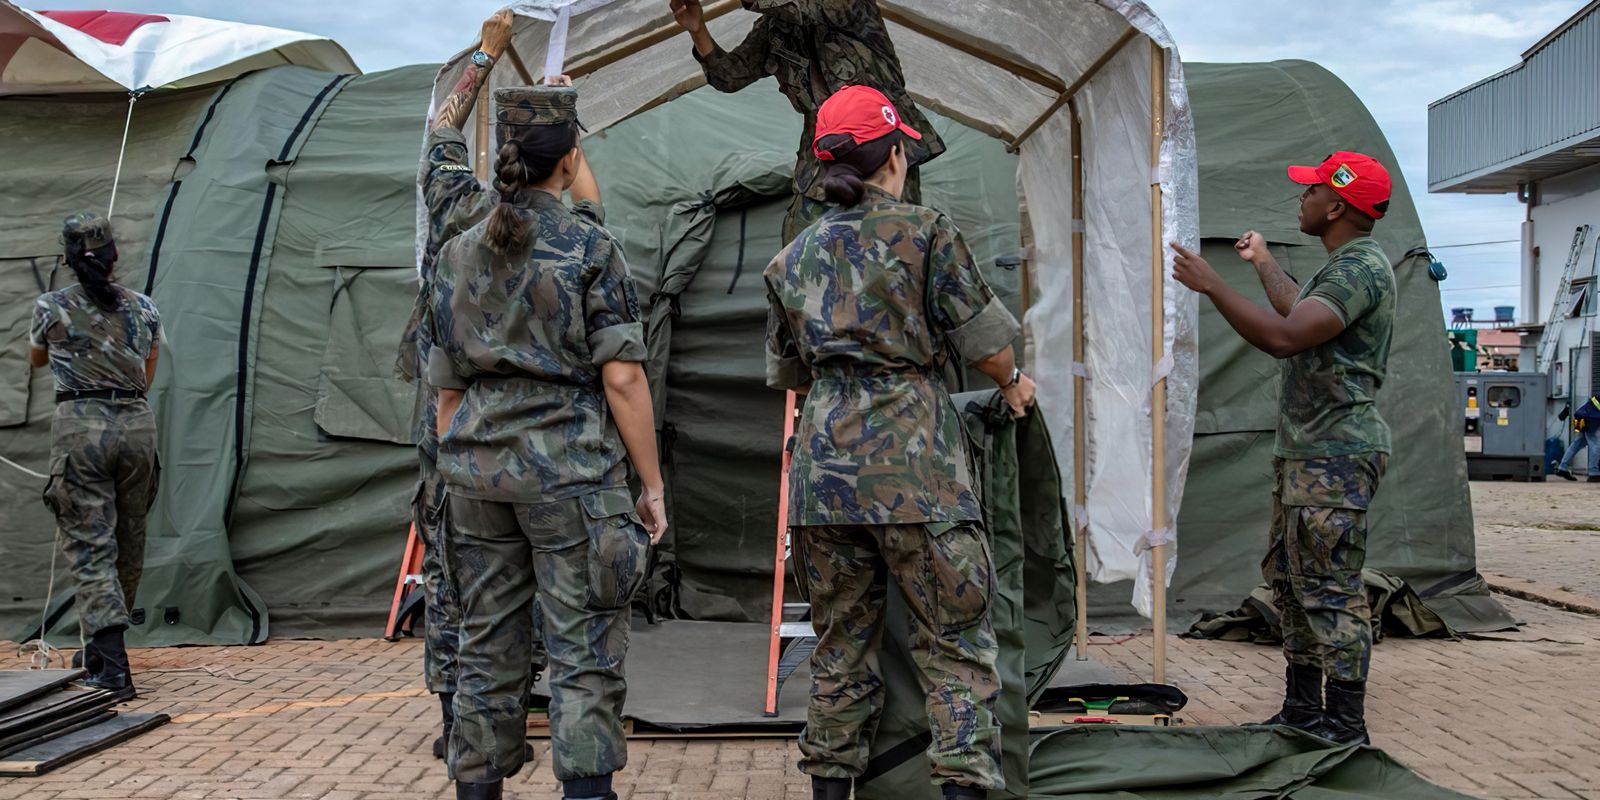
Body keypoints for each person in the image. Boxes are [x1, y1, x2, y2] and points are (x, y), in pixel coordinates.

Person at [763, 85, 1034, 800]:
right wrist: (1012, 384)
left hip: (824, 480)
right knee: (955, 651)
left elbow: (789, 370)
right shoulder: (928, 232)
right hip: (921, 473)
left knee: (838, 655)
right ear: (895, 153)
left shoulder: (791, 259)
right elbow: (988, 347)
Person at [424, 72, 667, 800]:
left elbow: (446, 390)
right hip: (572, 479)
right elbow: (623, 379)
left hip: (475, 480)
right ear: (569, 160)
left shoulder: (457, 252)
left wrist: (458, 473)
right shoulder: (592, 249)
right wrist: (649, 487)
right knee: (583, 651)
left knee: (485, 650)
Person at [1170, 152, 1397, 746]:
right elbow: (1297, 311)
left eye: (1310, 192)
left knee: (1331, 590)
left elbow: (1284, 337)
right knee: (1292, 582)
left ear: (1338, 205)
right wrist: (1263, 262)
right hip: (1307, 453)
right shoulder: (1342, 266)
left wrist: (1212, 283)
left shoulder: (1359, 268)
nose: (1301, 199)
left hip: (1336, 455)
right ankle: (1302, 712)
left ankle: (1345, 728)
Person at [397, 9, 550, 762]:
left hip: (449, 415)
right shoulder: (560, 236)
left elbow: (443, 130)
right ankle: (510, 717)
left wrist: (486, 57)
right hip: (535, 429)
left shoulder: (457, 202)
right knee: (527, 569)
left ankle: (459, 717)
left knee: (450, 561)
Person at [670, 0, 945, 242]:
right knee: (801, 259)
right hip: (823, 160)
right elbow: (729, 76)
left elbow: (810, 9)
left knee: (895, 255)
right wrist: (698, 29)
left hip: (880, 148)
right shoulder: (775, 28)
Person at [29, 212, 162, 701]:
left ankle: (110, 665)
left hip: (81, 425)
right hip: (137, 424)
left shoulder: (52, 305)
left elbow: (37, 358)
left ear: (66, 258)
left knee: (90, 542)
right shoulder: (145, 307)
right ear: (114, 257)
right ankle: (100, 650)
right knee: (129, 538)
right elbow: (148, 373)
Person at [1555, 395, 1600, 481]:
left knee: (1576, 444)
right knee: (1595, 446)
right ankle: (1593, 473)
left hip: (1581, 418)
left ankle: (1562, 468)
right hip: (1590, 421)